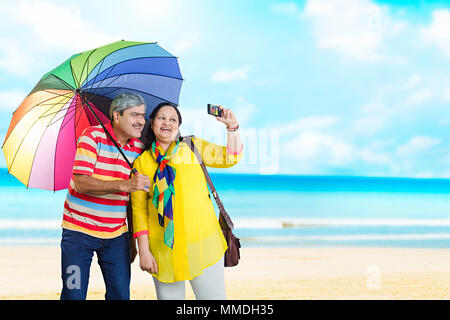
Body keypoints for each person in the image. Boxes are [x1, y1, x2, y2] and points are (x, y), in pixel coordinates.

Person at [131, 102, 243, 300]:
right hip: (163, 252)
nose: (167, 123)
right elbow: (139, 211)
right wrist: (144, 251)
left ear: (179, 126)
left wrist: (232, 128)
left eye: (173, 119)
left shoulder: (193, 147)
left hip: (203, 245)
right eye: (161, 118)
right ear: (152, 122)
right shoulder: (142, 162)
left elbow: (230, 157)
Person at [60, 92, 150, 300]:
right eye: (134, 115)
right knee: (74, 293)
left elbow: (133, 201)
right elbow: (81, 183)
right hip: (78, 233)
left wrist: (132, 239)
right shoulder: (92, 136)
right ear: (117, 116)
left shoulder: (138, 148)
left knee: (120, 295)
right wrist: (125, 184)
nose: (140, 121)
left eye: (143, 116)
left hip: (116, 236)